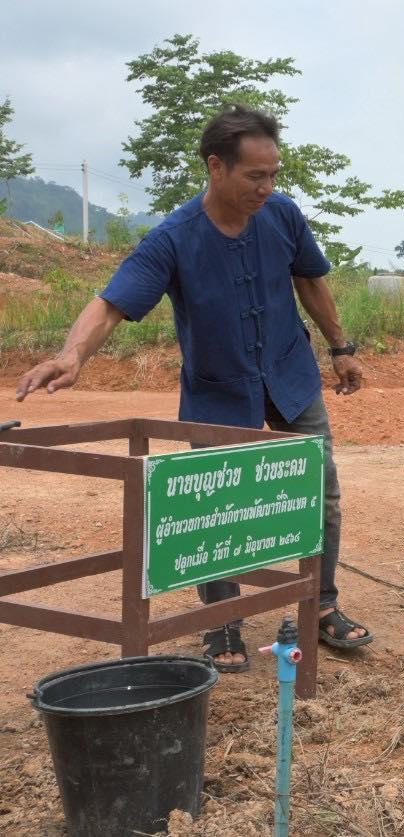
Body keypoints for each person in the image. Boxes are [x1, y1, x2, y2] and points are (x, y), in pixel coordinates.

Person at [14, 105, 372, 671]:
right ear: (216, 167)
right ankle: (220, 622)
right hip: (218, 390)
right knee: (216, 504)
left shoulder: (282, 215)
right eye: (256, 175)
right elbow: (112, 304)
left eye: (273, 174)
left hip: (289, 374)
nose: (267, 186)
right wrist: (71, 355)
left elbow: (310, 278)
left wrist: (341, 347)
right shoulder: (175, 238)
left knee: (319, 492)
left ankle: (320, 605)